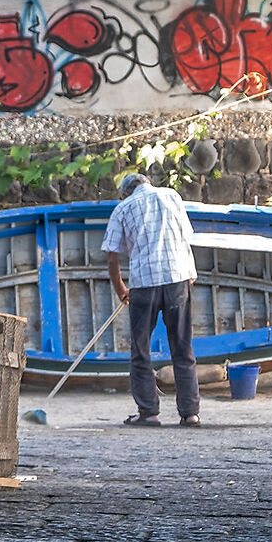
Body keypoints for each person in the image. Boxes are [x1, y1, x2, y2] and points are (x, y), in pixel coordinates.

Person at [104, 170, 200, 427]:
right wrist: (190, 274)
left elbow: (112, 256)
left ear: (126, 192)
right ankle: (190, 414)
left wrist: (120, 289)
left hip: (144, 283)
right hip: (177, 278)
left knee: (141, 349)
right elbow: (185, 238)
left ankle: (148, 412)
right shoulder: (172, 196)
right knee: (182, 346)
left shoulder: (123, 208)